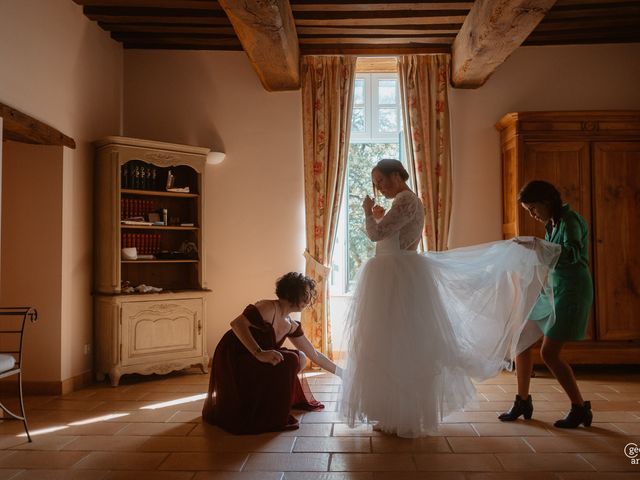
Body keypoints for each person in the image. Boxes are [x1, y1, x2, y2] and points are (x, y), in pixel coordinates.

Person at [339, 159, 561, 438]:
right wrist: (380, 215)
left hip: (395, 275)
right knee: (391, 344)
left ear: (396, 175)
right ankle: (392, 411)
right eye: (376, 183)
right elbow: (389, 234)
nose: (378, 187)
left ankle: (402, 413)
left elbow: (376, 234)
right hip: (393, 273)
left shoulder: (406, 200)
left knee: (398, 345)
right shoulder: (404, 201)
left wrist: (368, 214)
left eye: (381, 180)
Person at [499, 180, 593, 428]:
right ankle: (522, 400)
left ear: (547, 201)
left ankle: (580, 407)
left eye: (533, 208)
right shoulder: (553, 222)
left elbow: (571, 254)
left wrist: (537, 245)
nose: (532, 214)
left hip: (571, 291)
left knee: (549, 353)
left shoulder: (571, 220)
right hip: (553, 289)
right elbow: (549, 257)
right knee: (521, 340)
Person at [202, 272, 341, 434]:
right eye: (305, 293)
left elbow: (315, 355)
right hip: (235, 354)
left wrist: (342, 373)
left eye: (310, 294)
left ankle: (265, 400)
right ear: (291, 292)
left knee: (300, 357)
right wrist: (259, 353)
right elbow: (237, 324)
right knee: (289, 359)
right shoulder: (268, 307)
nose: (308, 299)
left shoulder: (291, 325)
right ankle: (256, 402)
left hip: (257, 357)